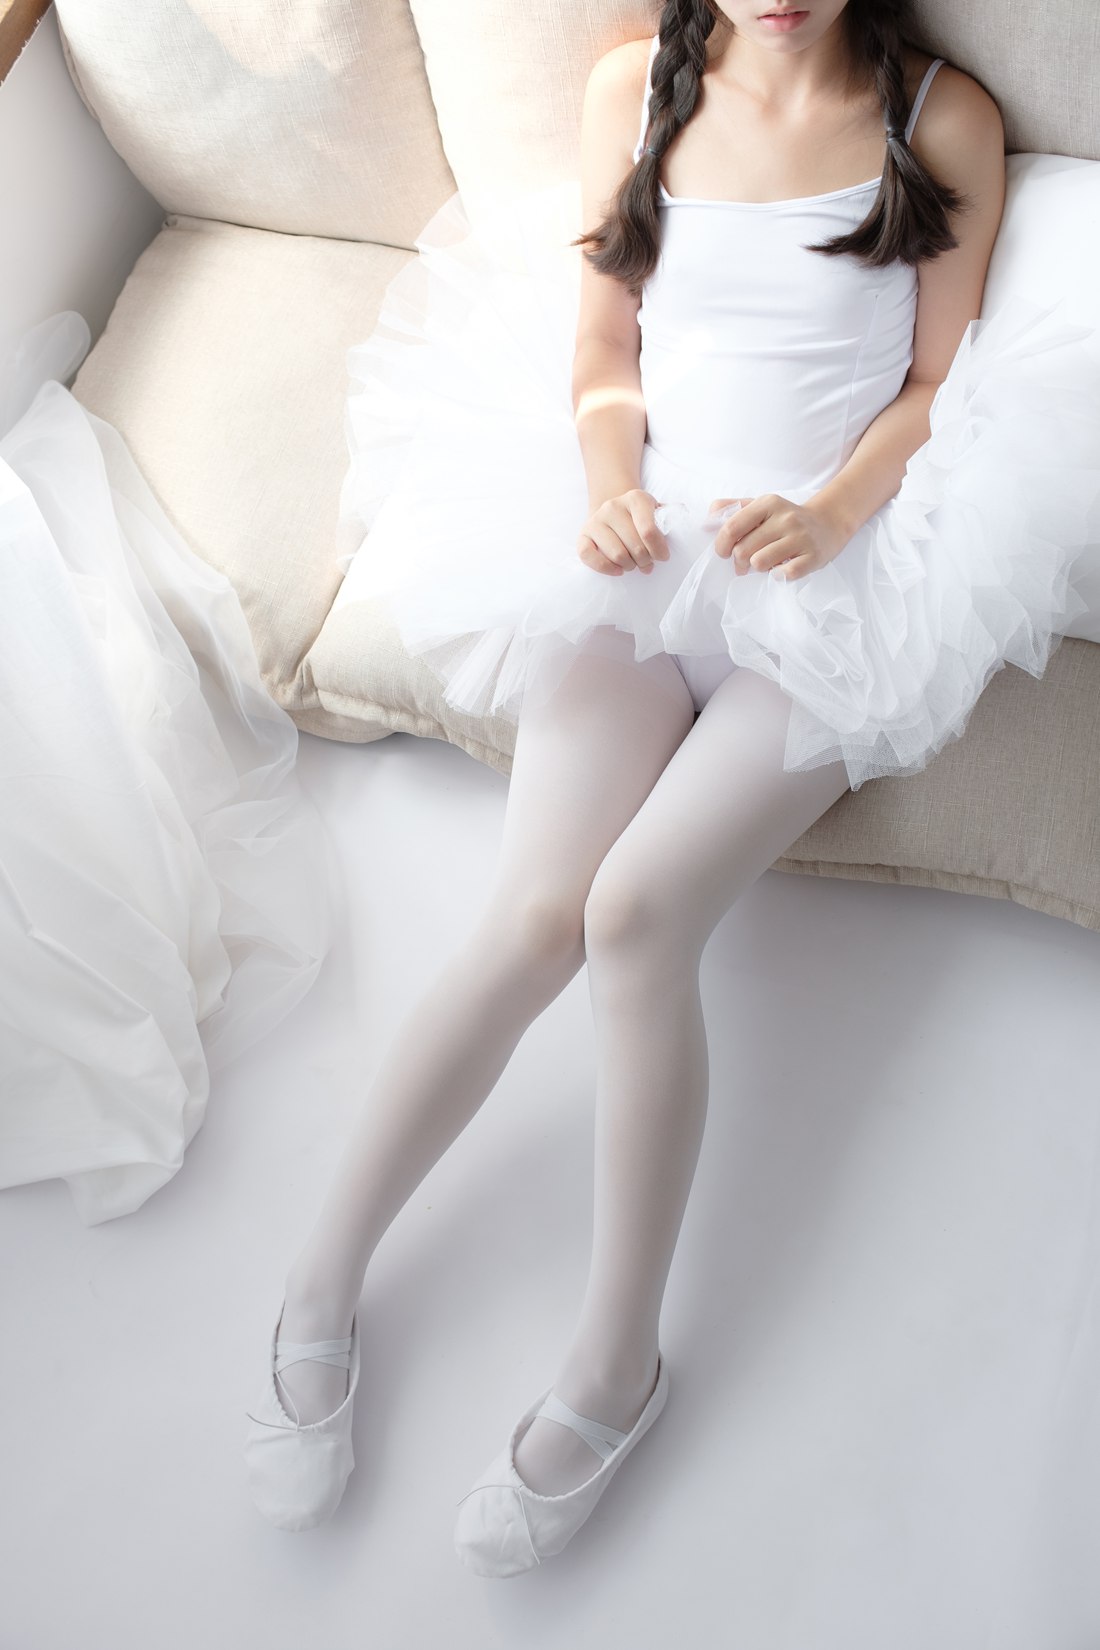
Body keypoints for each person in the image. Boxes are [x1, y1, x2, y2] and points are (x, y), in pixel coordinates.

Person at [243, 0, 1086, 1576]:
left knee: (635, 918)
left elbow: (933, 386)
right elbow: (602, 345)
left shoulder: (941, 120)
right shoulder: (636, 90)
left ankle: (616, 1368)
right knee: (532, 916)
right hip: (642, 558)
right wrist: (613, 481)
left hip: (830, 598)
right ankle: (318, 1278)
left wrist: (830, 515)